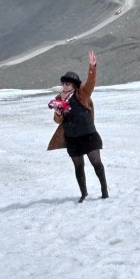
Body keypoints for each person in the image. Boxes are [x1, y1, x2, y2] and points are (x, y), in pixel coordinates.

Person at [47, 50, 109, 202]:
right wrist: (58, 113)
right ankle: (83, 193)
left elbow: (91, 82)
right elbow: (57, 120)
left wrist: (92, 66)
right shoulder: (58, 99)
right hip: (72, 138)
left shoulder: (82, 94)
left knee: (97, 163)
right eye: (63, 83)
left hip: (88, 135)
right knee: (78, 166)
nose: (64, 85)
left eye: (67, 83)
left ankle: (104, 191)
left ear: (74, 84)